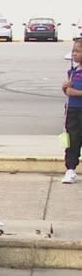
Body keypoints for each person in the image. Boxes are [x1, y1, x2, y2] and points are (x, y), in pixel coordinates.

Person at [61, 38, 82, 184]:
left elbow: (72, 92)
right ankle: (70, 169)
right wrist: (65, 87)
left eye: (78, 51)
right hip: (73, 111)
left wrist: (73, 91)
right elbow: (67, 91)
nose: (74, 54)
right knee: (72, 140)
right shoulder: (72, 72)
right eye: (73, 51)